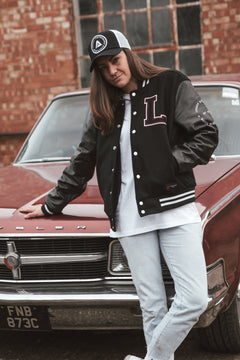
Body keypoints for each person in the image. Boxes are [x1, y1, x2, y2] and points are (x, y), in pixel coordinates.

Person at [20, 29, 218, 360]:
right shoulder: (103, 108)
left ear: (129, 53)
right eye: (103, 68)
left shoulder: (170, 84)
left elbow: (206, 134)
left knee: (194, 299)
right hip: (129, 217)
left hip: (173, 207)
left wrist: (169, 163)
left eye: (115, 60)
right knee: (152, 306)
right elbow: (82, 162)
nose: (112, 71)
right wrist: (51, 203)